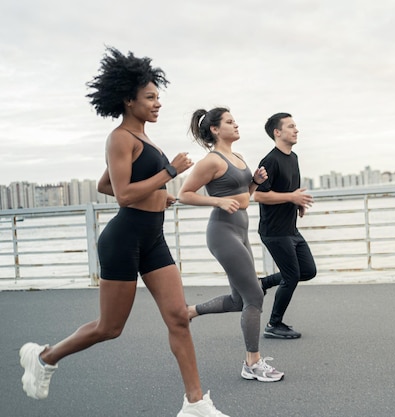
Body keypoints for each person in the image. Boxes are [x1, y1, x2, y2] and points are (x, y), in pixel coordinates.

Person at [18, 47, 229, 417]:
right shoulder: (120, 138)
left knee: (178, 316)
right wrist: (169, 174)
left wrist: (158, 196)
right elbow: (121, 196)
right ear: (128, 100)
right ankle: (45, 356)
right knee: (110, 327)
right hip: (123, 240)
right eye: (150, 97)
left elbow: (106, 184)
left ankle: (196, 404)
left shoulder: (146, 141)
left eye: (158, 97)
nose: (157, 104)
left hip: (152, 238)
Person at [178, 107, 284, 382]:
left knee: (240, 299)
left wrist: (254, 184)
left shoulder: (237, 156)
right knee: (254, 297)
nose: (236, 125)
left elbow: (243, 199)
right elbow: (184, 194)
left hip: (240, 229)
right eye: (229, 121)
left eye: (235, 120)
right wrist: (217, 201)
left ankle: (190, 311)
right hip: (222, 232)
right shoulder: (211, 161)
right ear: (215, 129)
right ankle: (252, 363)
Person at [253, 113, 317, 339]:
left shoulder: (294, 157)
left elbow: (293, 190)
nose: (296, 130)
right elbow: (259, 196)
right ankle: (273, 324)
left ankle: (263, 283)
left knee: (308, 271)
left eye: (296, 126)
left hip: (290, 229)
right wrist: (291, 198)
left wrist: (298, 203)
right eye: (291, 127)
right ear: (277, 132)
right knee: (291, 277)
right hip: (274, 231)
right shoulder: (269, 161)